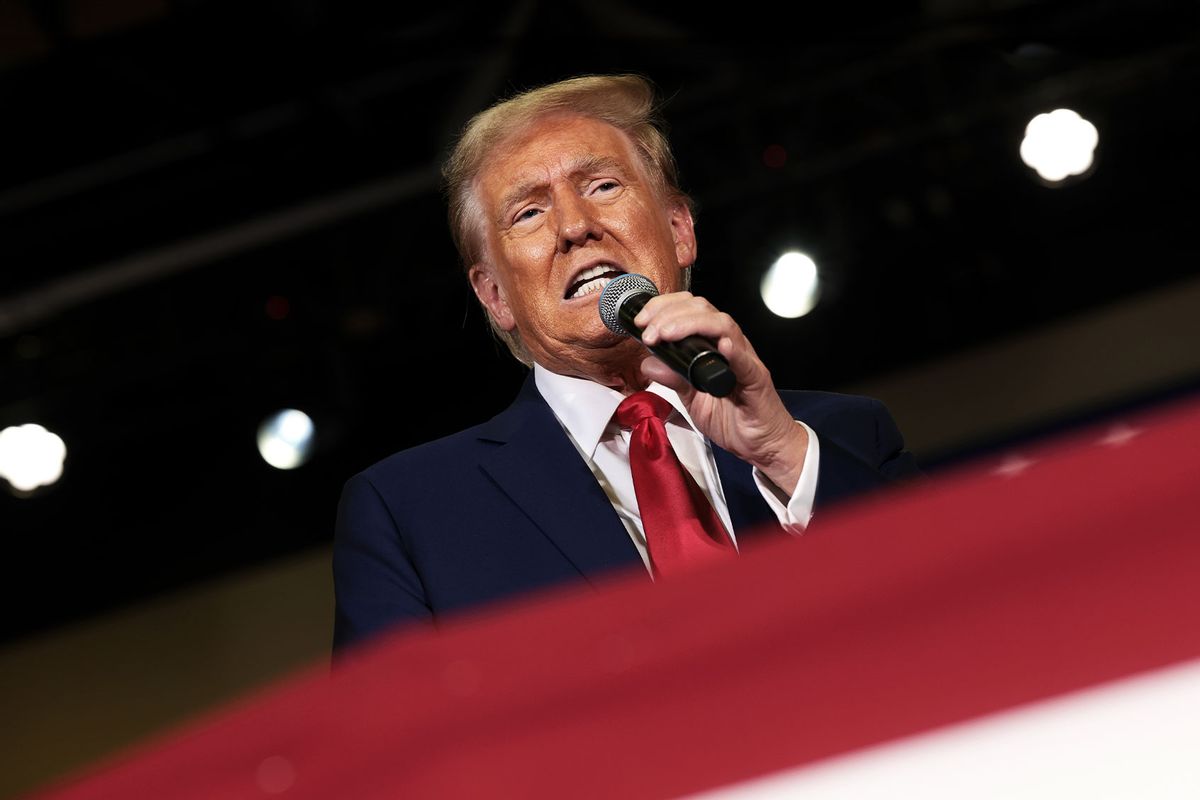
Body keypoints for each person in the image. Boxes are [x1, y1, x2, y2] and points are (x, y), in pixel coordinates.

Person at [332, 74, 920, 650]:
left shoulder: (841, 440)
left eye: (603, 186)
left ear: (679, 230)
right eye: (528, 214)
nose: (575, 227)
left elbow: (951, 616)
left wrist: (781, 455)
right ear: (494, 296)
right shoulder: (411, 511)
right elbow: (393, 735)